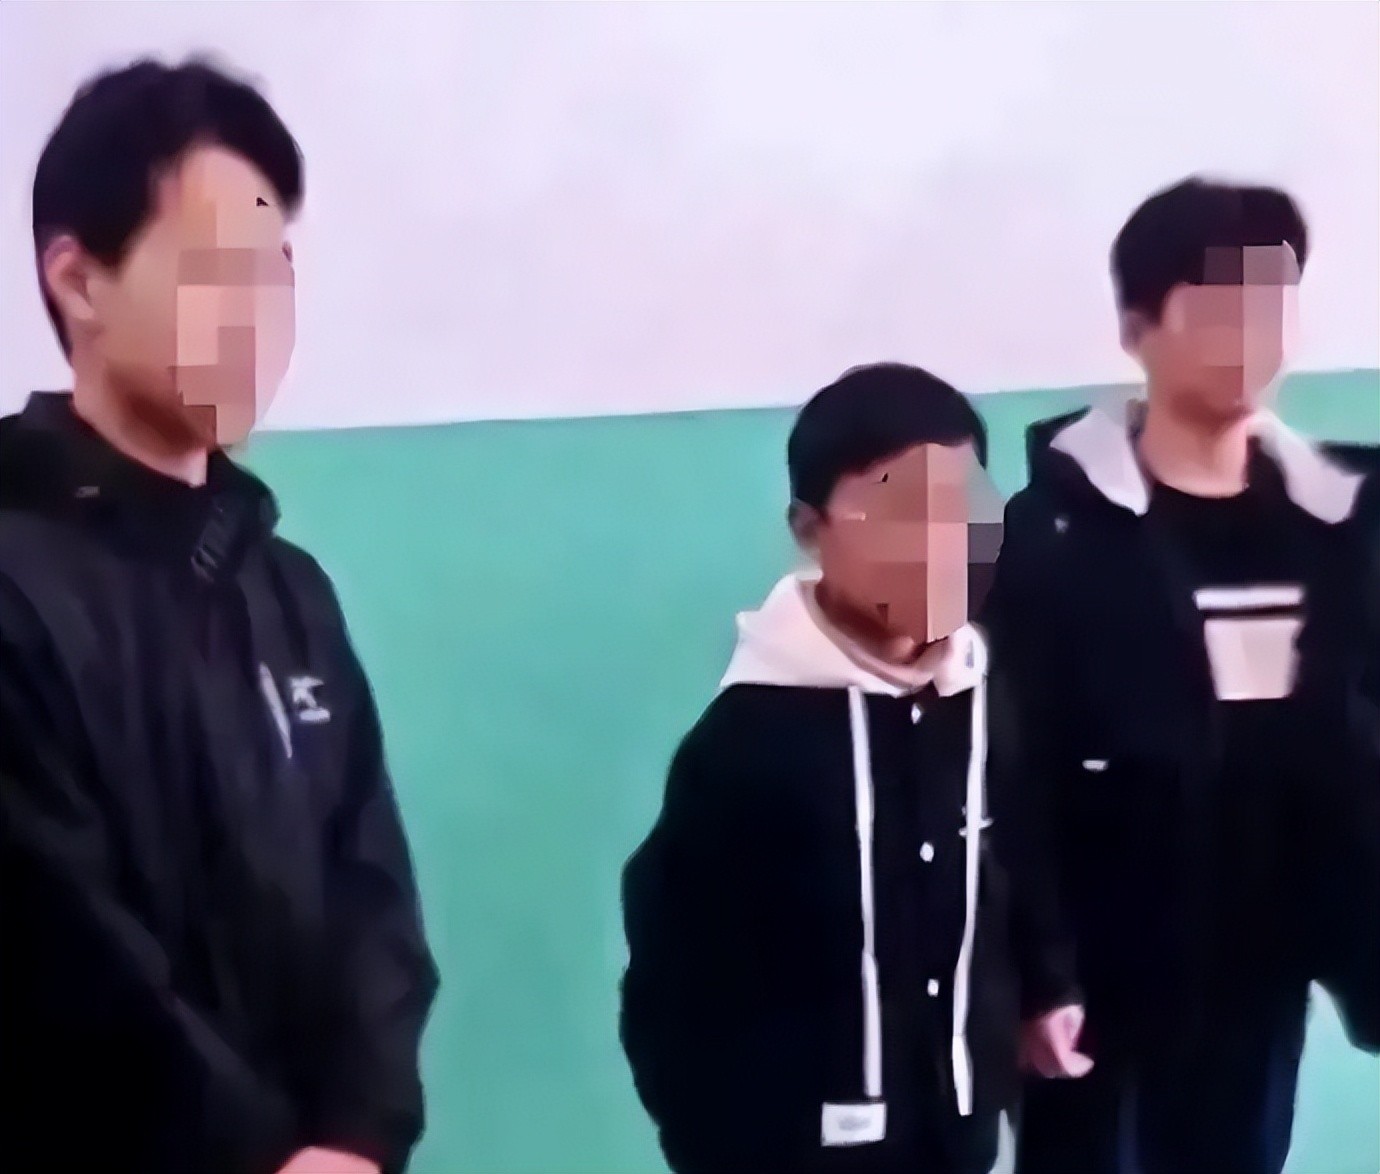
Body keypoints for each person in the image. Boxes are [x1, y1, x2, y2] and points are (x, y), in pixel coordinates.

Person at [0, 58, 439, 1174]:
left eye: (274, 272)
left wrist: (358, 1134)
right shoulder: (17, 579)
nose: (256, 318)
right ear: (78, 280)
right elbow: (62, 953)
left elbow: (373, 903)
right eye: (213, 271)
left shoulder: (288, 590)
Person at [985, 177, 1380, 1174]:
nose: (1248, 335)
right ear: (1136, 328)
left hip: (1266, 965)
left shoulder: (1342, 523)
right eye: (1216, 306)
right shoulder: (1053, 536)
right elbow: (1011, 771)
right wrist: (1038, 973)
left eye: (1271, 305)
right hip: (1102, 972)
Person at [620, 363, 1086, 1174]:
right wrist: (716, 1140)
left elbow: (1012, 852)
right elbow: (675, 983)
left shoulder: (980, 692)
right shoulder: (746, 741)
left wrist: (1044, 991)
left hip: (956, 1133)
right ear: (811, 529)